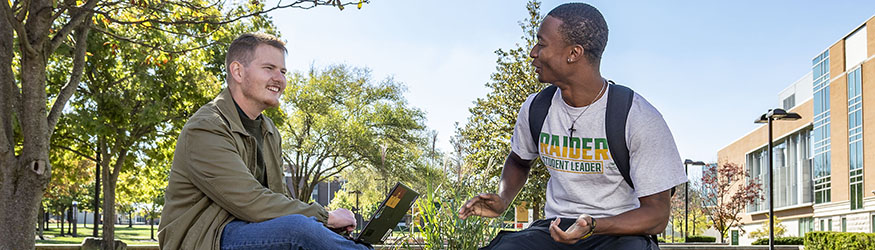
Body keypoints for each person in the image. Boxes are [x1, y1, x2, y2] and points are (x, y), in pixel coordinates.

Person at [458, 3, 686, 250]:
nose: (533, 52)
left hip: (617, 232)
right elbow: (519, 160)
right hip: (555, 229)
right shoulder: (536, 108)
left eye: (542, 44)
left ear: (573, 53)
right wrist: (503, 199)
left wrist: (592, 225)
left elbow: (657, 216)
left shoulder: (638, 117)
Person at [158, 33, 370, 250]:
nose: (280, 79)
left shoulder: (268, 130)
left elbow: (279, 199)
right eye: (269, 68)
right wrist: (325, 217)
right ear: (238, 71)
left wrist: (324, 229)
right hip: (205, 240)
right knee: (298, 230)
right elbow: (251, 201)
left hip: (250, 229)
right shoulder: (206, 127)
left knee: (308, 230)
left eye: (283, 72)